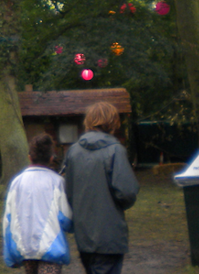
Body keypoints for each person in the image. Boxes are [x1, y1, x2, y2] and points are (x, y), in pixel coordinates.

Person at [62, 102, 139, 274]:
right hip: (109, 235)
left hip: (84, 236)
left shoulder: (73, 151)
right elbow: (127, 191)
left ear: (89, 121)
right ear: (113, 122)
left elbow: (68, 192)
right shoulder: (115, 150)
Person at [4, 134, 74, 274]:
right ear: (51, 158)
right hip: (51, 246)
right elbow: (66, 217)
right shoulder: (57, 182)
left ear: (29, 156)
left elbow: (8, 219)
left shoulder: (17, 182)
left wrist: (10, 253)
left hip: (25, 246)